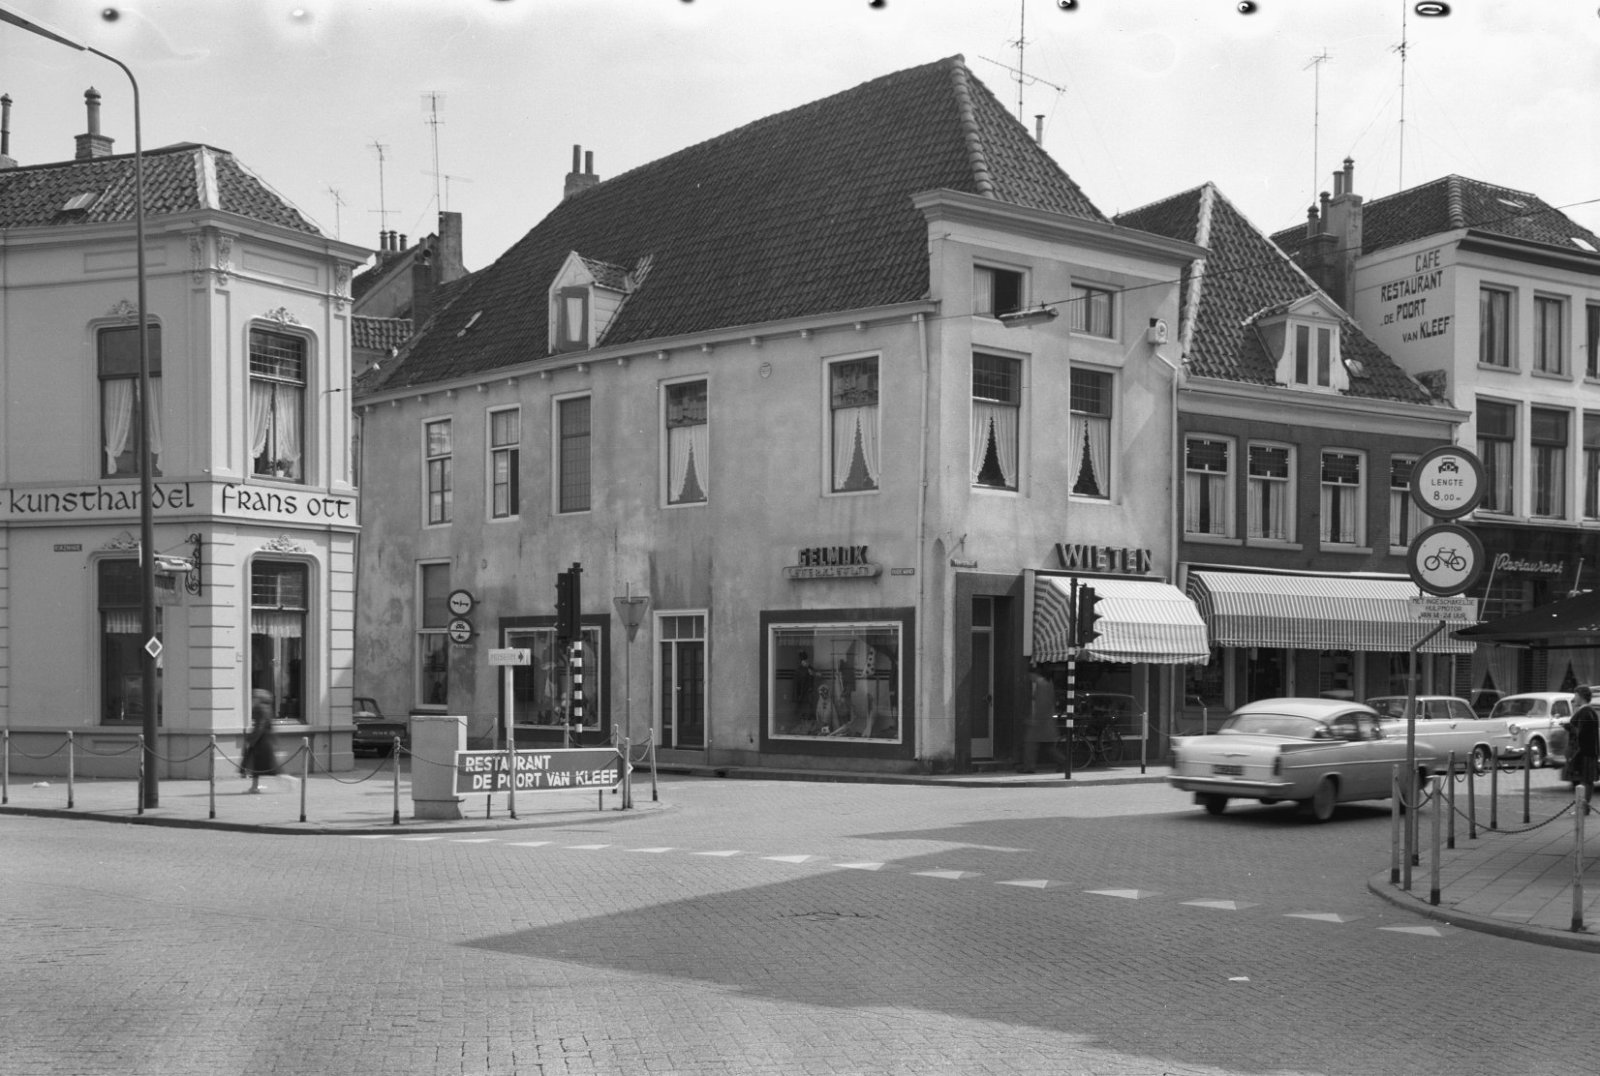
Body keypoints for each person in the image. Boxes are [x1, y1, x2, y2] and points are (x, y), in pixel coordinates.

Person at [1563, 685, 1599, 806]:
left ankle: (1583, 808)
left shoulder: (1586, 712)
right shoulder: (1588, 711)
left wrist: (1569, 727)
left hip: (1584, 751)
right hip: (1588, 751)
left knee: (1586, 780)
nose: (1574, 698)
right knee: (1586, 780)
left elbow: (1581, 732)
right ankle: (1583, 808)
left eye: (1576, 695)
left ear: (1581, 696)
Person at [1020, 666, 1057, 773]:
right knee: (1047, 747)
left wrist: (1036, 720)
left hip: (1041, 722)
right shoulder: (1045, 683)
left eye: (1030, 675)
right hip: (1044, 722)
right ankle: (1063, 762)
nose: (1029, 678)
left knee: (1030, 744)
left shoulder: (1041, 685)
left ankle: (1029, 767)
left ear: (1033, 674)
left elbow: (1042, 704)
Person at [241, 689, 278, 793]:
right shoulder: (267, 708)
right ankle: (254, 787)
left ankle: (289, 780)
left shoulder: (260, 709)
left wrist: (251, 739)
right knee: (257, 765)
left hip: (261, 741)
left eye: (254, 697)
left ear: (259, 698)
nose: (253, 699)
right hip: (264, 740)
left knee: (268, 767)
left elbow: (259, 726)